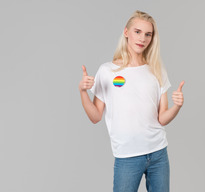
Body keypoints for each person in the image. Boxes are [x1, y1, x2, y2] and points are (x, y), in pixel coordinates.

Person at [79, 10, 184, 192]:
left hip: (158, 153)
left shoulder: (157, 70)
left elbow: (162, 118)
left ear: (152, 38)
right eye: (137, 32)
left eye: (147, 34)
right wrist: (82, 91)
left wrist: (178, 106)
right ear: (126, 32)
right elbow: (95, 116)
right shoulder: (107, 71)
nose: (142, 38)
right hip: (127, 156)